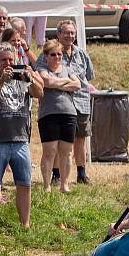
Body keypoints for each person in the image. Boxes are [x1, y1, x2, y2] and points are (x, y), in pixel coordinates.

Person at [0, 43, 44, 235]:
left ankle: (25, 225)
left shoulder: (21, 77)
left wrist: (31, 78)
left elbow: (39, 93)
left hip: (20, 139)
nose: (8, 63)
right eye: (4, 60)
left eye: (11, 60)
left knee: (24, 184)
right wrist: (1, 81)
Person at [42, 19, 95, 185]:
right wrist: (67, 84)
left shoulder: (82, 54)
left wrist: (61, 83)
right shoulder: (51, 52)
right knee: (58, 142)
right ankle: (56, 175)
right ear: (58, 34)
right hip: (59, 103)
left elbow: (86, 79)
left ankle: (81, 173)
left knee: (81, 138)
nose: (69, 36)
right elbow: (44, 79)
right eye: (66, 32)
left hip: (82, 101)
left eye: (72, 33)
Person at [36, 40, 80, 193]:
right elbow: (47, 81)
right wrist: (67, 82)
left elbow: (78, 85)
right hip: (48, 115)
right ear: (46, 56)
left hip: (69, 114)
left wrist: (57, 83)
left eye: (59, 54)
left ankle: (64, 184)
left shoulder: (68, 69)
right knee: (49, 152)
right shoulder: (41, 68)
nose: (57, 57)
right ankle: (47, 185)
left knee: (67, 152)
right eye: (53, 54)